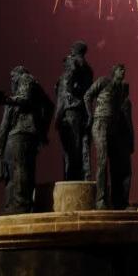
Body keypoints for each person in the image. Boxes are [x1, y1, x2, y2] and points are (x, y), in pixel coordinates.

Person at [0, 66, 53, 213]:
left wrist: (7, 100)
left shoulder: (25, 79)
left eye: (13, 77)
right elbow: (49, 106)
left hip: (21, 133)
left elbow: (26, 99)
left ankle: (20, 205)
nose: (12, 80)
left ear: (18, 74)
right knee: (15, 171)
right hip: (19, 135)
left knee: (19, 169)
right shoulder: (23, 94)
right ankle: (14, 205)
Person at [84, 64, 134, 209]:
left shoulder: (120, 90)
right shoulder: (103, 81)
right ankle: (100, 200)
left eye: (124, 69)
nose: (123, 71)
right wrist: (90, 115)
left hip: (113, 127)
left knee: (116, 165)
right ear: (113, 72)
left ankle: (116, 201)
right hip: (100, 123)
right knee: (102, 162)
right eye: (120, 69)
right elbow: (87, 95)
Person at [55, 40, 94, 181]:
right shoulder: (89, 69)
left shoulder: (73, 62)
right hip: (84, 109)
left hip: (71, 109)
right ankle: (83, 179)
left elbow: (66, 85)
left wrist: (59, 114)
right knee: (82, 149)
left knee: (70, 148)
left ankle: (70, 181)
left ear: (75, 50)